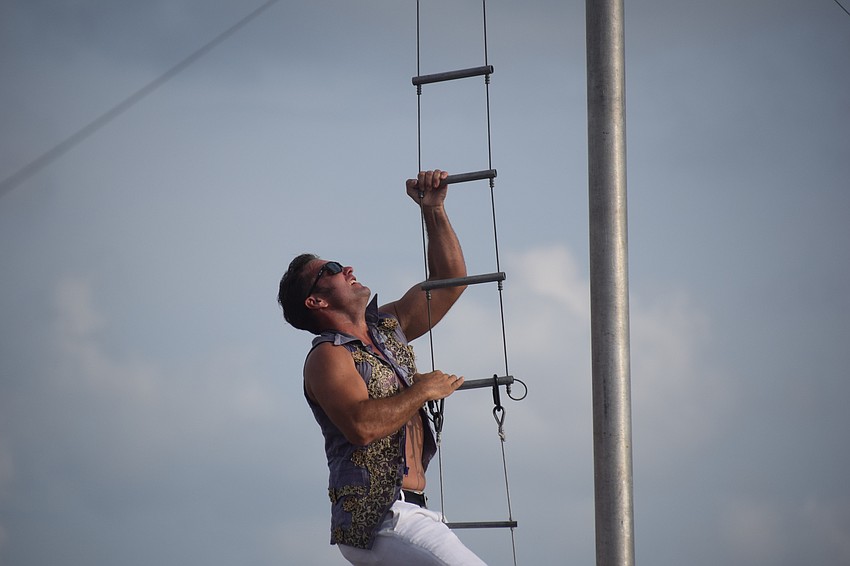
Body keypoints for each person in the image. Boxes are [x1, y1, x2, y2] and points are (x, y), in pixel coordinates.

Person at [277, 170, 487, 565]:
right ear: (316, 302)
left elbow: (450, 281)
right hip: (381, 518)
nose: (348, 269)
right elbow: (361, 426)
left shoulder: (387, 327)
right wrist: (421, 390)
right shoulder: (326, 356)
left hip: (413, 510)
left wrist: (434, 211)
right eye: (333, 269)